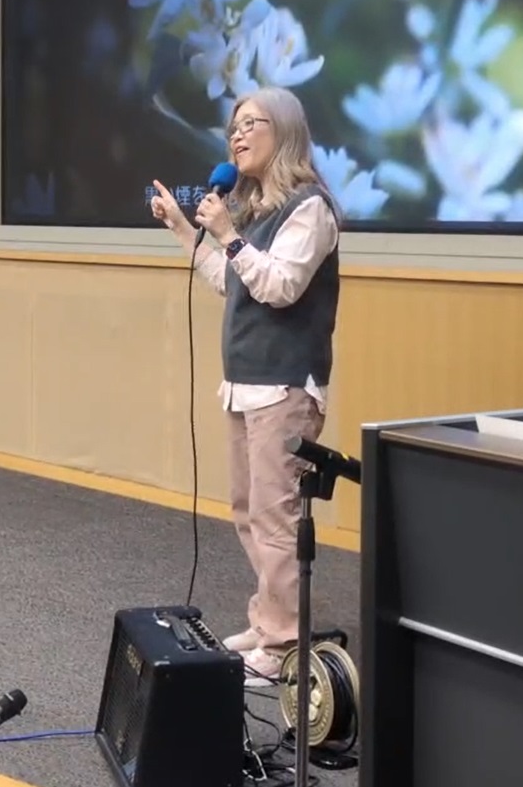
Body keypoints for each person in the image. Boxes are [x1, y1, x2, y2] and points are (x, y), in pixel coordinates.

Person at [149, 87, 341, 683]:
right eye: (233, 126)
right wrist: (184, 229)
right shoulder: (254, 211)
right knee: (247, 512)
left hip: (284, 387)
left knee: (274, 517)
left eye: (251, 123)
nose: (236, 135)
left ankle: (283, 645)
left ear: (284, 132)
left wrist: (229, 235)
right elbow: (229, 281)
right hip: (245, 384)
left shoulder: (310, 208)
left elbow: (280, 287)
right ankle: (269, 621)